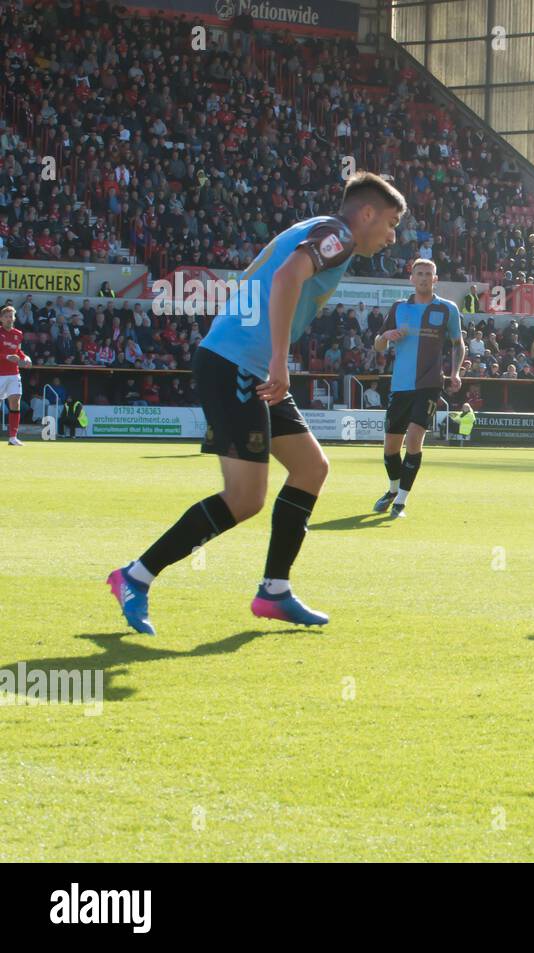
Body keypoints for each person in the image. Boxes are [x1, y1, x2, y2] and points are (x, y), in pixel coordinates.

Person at [107, 172, 407, 636]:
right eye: (390, 223)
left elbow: (259, 277)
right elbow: (287, 276)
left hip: (242, 362)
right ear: (367, 213)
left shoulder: (316, 227)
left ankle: (274, 591)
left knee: (311, 468)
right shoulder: (340, 235)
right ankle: (135, 576)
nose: (391, 237)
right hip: (238, 366)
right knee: (245, 498)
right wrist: (277, 358)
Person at [372, 258, 464, 519]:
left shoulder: (447, 309)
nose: (423, 278)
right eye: (419, 274)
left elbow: (458, 343)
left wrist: (455, 372)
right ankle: (392, 490)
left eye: (428, 274)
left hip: (429, 383)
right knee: (391, 448)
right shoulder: (399, 308)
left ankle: (401, 501)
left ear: (435, 279)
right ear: (411, 278)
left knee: (414, 439)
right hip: (400, 386)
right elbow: (377, 345)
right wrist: (385, 337)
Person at [1, 306, 33, 445]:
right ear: (1, 318)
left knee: (15, 402)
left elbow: (18, 351)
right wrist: (7, 356)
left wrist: (25, 357)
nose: (9, 319)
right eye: (6, 316)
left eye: (11, 316)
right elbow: (8, 353)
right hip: (0, 373)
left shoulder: (18, 333)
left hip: (14, 373)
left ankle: (13, 437)